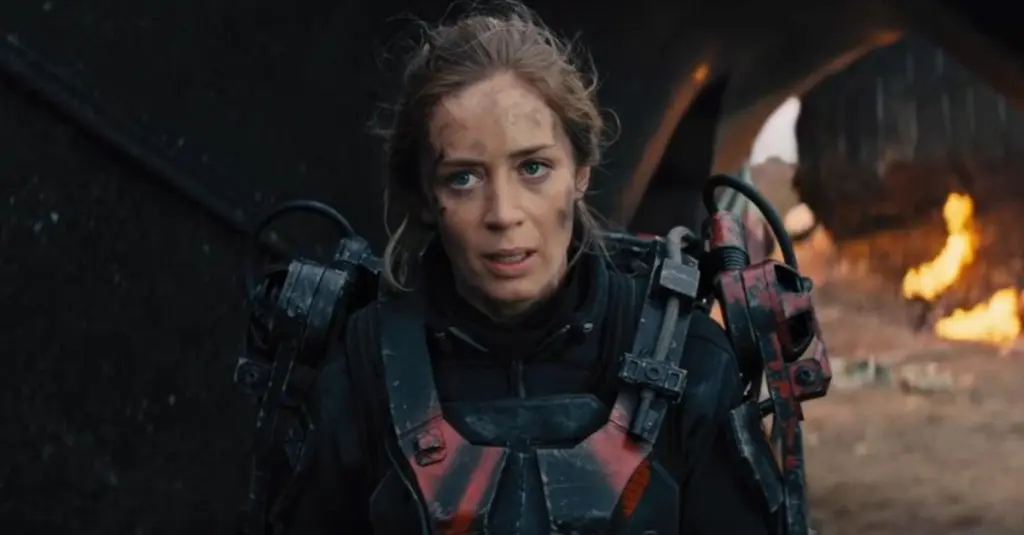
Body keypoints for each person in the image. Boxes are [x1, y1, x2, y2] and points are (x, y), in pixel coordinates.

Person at [273, 4, 780, 534]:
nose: (503, 214)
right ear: (424, 196)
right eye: (464, 178)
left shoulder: (690, 360)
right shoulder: (363, 373)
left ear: (580, 173)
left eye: (533, 168)